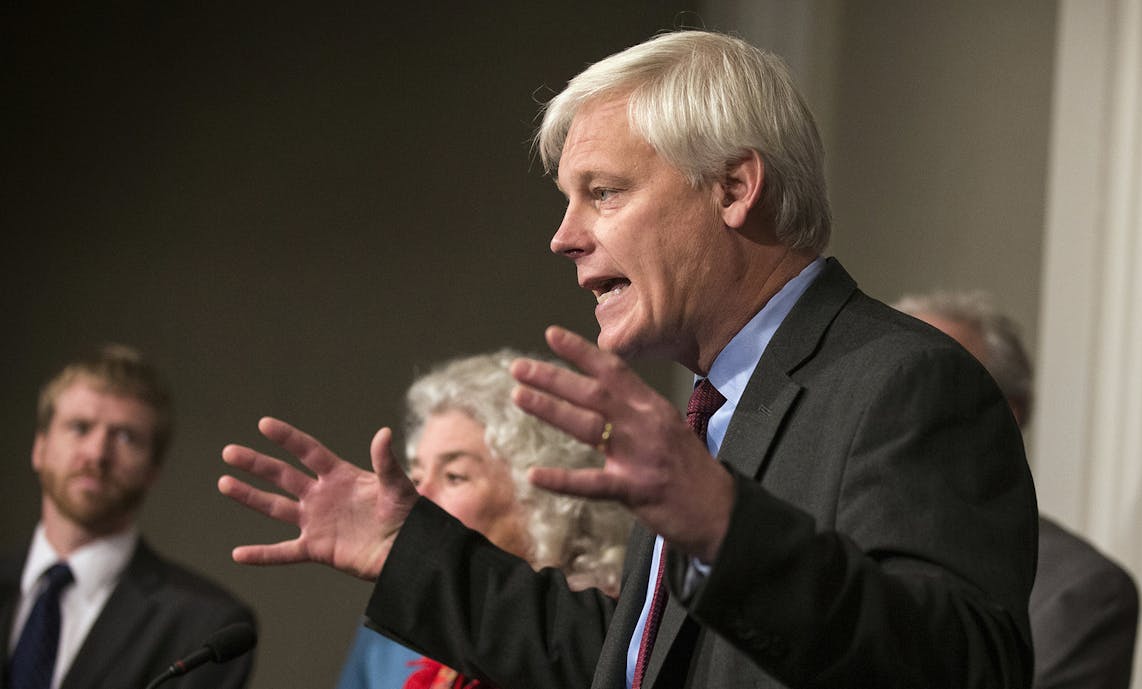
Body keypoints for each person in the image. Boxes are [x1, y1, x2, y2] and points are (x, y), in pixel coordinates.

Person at [219, 29, 1037, 688]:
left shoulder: (902, 382)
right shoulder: (712, 405)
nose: (564, 236)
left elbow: (960, 667)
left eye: (603, 192)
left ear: (732, 188)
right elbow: (631, 664)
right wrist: (410, 550)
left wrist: (724, 524)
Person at [335, 350, 630, 689]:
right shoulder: (389, 639)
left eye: (454, 476)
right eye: (416, 477)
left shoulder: (616, 638)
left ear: (542, 498)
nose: (419, 499)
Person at [894, 289, 1140, 689]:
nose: (897, 406)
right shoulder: (823, 536)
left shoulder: (1080, 594)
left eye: (930, 382)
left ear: (1005, 414)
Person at [1, 344, 254, 689]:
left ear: (154, 470)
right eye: (79, 427)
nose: (97, 453)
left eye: (124, 437)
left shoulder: (205, 626)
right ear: (40, 448)